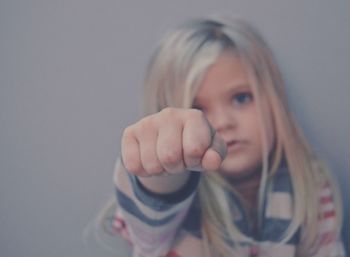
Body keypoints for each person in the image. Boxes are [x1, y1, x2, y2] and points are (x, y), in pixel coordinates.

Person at [96, 15, 346, 257]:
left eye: (241, 98)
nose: (224, 122)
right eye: (198, 109)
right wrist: (163, 163)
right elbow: (156, 199)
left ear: (275, 102)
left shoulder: (311, 188)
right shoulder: (174, 203)